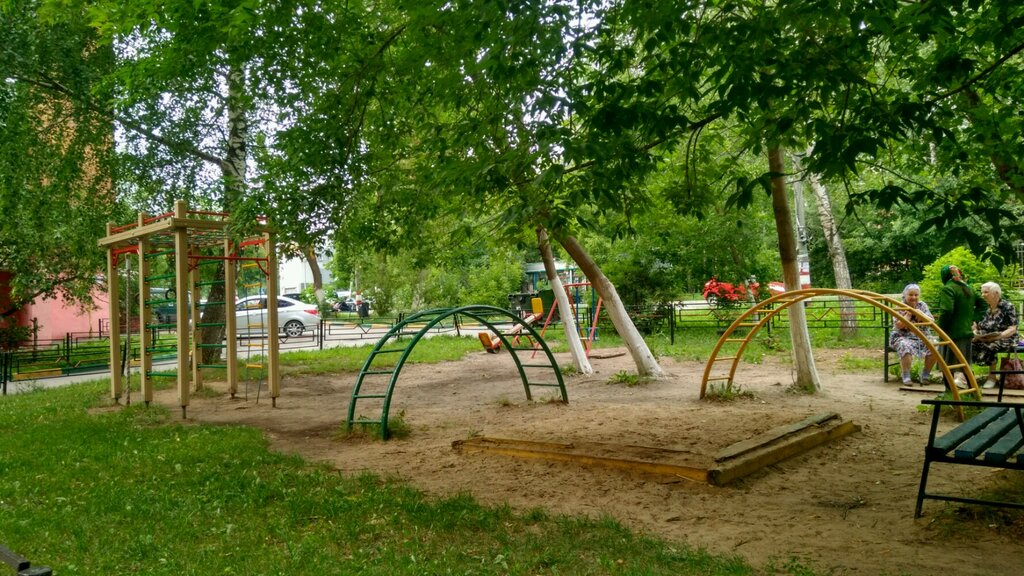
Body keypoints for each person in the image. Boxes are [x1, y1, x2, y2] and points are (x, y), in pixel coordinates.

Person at [933, 265, 986, 389]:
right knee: (965, 364)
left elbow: (946, 310)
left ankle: (949, 392)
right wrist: (973, 319)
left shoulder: (948, 288)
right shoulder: (968, 288)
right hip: (966, 332)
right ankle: (974, 391)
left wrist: (940, 327)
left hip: (951, 332)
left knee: (947, 364)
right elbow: (983, 305)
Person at [972, 281, 1019, 389]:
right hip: (988, 337)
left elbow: (1012, 328)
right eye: (982, 292)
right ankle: (967, 375)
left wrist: (998, 336)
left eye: (986, 292)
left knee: (992, 346)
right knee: (970, 344)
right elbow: (981, 326)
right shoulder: (987, 308)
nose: (983, 295)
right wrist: (976, 332)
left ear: (996, 293)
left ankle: (992, 377)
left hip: (1007, 337)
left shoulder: (1008, 306)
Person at [889, 283, 938, 385]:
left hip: (922, 336)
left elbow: (931, 321)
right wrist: (908, 315)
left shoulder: (922, 305)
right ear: (905, 295)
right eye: (910, 295)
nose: (913, 297)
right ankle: (906, 375)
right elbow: (899, 325)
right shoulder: (899, 306)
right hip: (903, 336)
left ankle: (925, 375)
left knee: (935, 345)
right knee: (905, 345)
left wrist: (921, 314)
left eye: (916, 295)